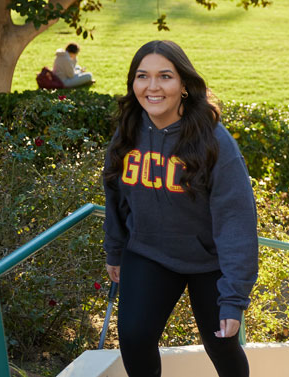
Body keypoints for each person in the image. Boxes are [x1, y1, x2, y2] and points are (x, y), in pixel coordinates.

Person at [102, 40, 257, 376]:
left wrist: (233, 295)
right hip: (148, 252)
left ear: (184, 85)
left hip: (208, 261)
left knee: (221, 342)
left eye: (165, 77)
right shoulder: (127, 132)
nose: (152, 87)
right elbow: (114, 193)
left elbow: (236, 220)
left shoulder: (214, 141)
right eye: (142, 76)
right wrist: (115, 250)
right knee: (134, 337)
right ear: (133, 82)